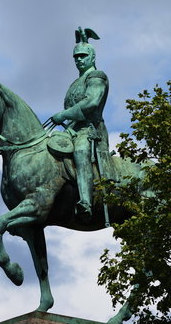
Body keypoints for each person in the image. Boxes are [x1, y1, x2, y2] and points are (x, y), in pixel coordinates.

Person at [51, 27, 115, 221]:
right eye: (76, 57)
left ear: (92, 57)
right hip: (73, 129)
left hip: (91, 130)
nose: (79, 59)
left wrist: (64, 114)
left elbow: (91, 103)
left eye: (82, 56)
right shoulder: (75, 83)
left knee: (80, 150)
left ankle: (85, 201)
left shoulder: (97, 76)